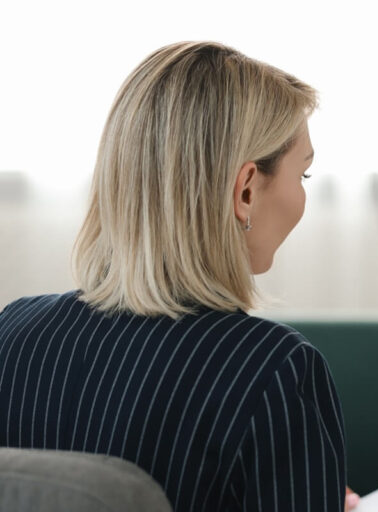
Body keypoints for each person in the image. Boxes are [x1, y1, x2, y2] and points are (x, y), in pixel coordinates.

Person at [0, 42, 359, 512]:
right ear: (246, 190)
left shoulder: (13, 332)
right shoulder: (276, 368)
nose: (302, 195)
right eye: (304, 175)